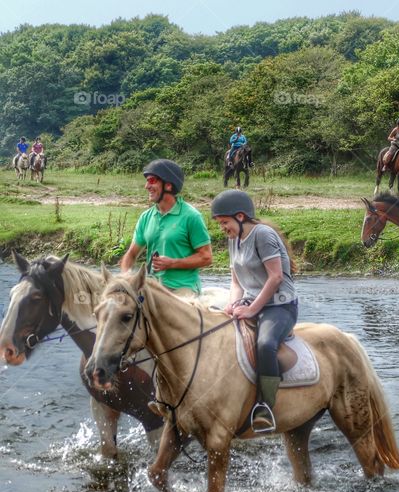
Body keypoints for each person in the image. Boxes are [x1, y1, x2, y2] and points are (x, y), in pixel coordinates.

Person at [212, 189, 298, 433]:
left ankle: (265, 406)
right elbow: (236, 281)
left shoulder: (263, 235)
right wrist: (232, 304)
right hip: (251, 302)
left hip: (280, 305)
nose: (222, 228)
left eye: (224, 222)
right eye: (220, 224)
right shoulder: (233, 239)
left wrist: (251, 310)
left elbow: (275, 277)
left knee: (265, 344)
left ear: (240, 217)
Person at [120, 159, 213, 297]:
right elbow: (131, 255)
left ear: (168, 185)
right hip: (153, 288)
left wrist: (172, 263)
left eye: (152, 181)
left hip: (183, 288)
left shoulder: (191, 216)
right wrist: (125, 279)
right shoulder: (146, 217)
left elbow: (206, 257)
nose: (146, 186)